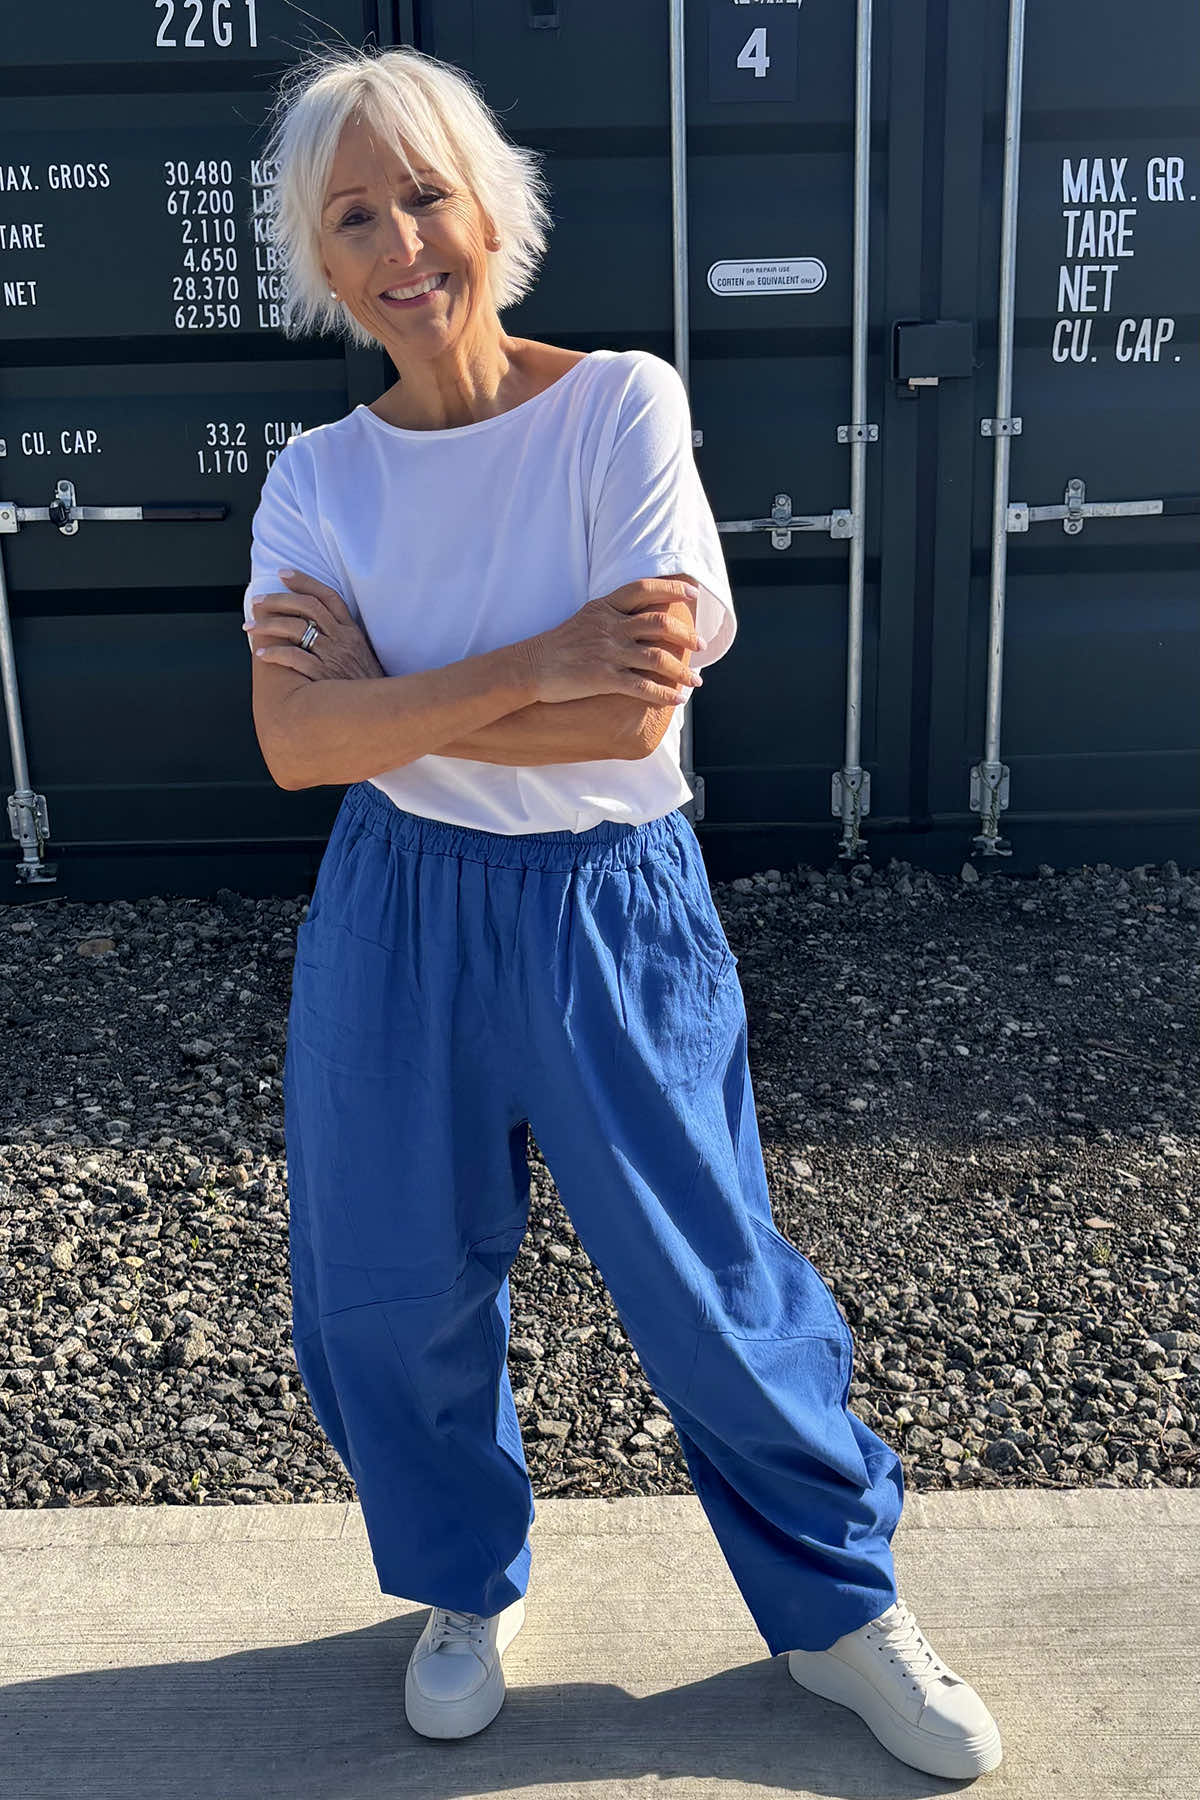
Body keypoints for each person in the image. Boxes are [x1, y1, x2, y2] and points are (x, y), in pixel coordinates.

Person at [241, 42, 1002, 1781]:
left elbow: (631, 721)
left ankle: (839, 1608)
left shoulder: (620, 409)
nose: (401, 244)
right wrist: (541, 659)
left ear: (492, 206)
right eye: (354, 218)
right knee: (383, 1288)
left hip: (608, 901)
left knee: (709, 1284)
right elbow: (294, 746)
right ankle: (462, 1583)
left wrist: (392, 698)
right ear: (321, 261)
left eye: (425, 195)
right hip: (396, 911)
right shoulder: (317, 481)